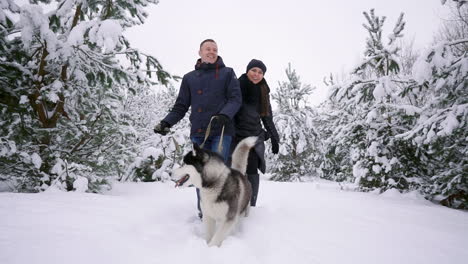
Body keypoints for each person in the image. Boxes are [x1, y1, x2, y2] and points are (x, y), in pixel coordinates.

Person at [154, 39, 241, 218]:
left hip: (222, 131)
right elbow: (181, 106)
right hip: (199, 132)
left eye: (215, 49)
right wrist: (166, 122)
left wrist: (225, 115)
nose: (212, 51)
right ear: (200, 52)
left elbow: (235, 99)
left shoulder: (227, 73)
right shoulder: (190, 78)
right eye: (208, 49)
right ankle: (205, 212)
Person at [232, 59, 280, 206]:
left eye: (260, 72)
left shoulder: (263, 91)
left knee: (252, 170)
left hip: (254, 137)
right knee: (234, 170)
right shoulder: (236, 86)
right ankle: (232, 204)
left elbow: (267, 116)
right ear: (247, 71)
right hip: (235, 135)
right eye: (254, 70)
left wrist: (274, 137)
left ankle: (250, 205)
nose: (256, 74)